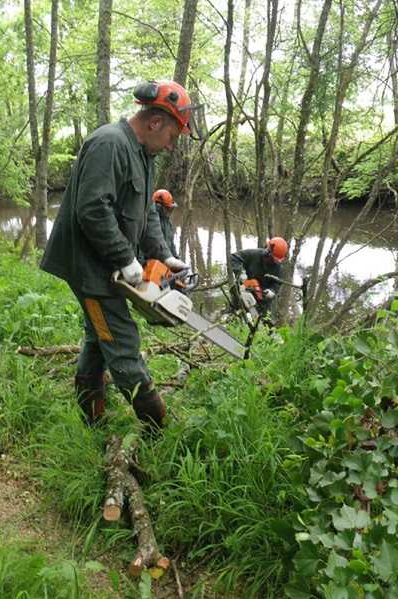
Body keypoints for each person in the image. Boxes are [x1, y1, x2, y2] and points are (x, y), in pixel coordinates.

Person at [39, 80, 205, 430]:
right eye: (173, 136)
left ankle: (91, 418)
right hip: (88, 268)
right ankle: (161, 431)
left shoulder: (144, 157)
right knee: (121, 340)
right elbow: (92, 209)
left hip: (105, 264)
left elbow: (144, 215)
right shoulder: (109, 144)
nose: (172, 145)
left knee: (97, 335)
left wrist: (164, 255)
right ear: (155, 121)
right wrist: (125, 260)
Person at [229, 237, 288, 316]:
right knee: (236, 315)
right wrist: (241, 272)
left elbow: (277, 283)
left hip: (262, 296)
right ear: (268, 251)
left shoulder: (278, 268)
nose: (272, 262)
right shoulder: (253, 254)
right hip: (244, 288)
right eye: (271, 259)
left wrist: (272, 291)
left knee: (264, 320)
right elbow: (234, 257)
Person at [153, 189, 178, 258]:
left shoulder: (168, 222)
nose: (168, 211)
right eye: (167, 208)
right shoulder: (152, 222)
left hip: (167, 257)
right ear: (158, 206)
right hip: (155, 259)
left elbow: (171, 243)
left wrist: (176, 259)